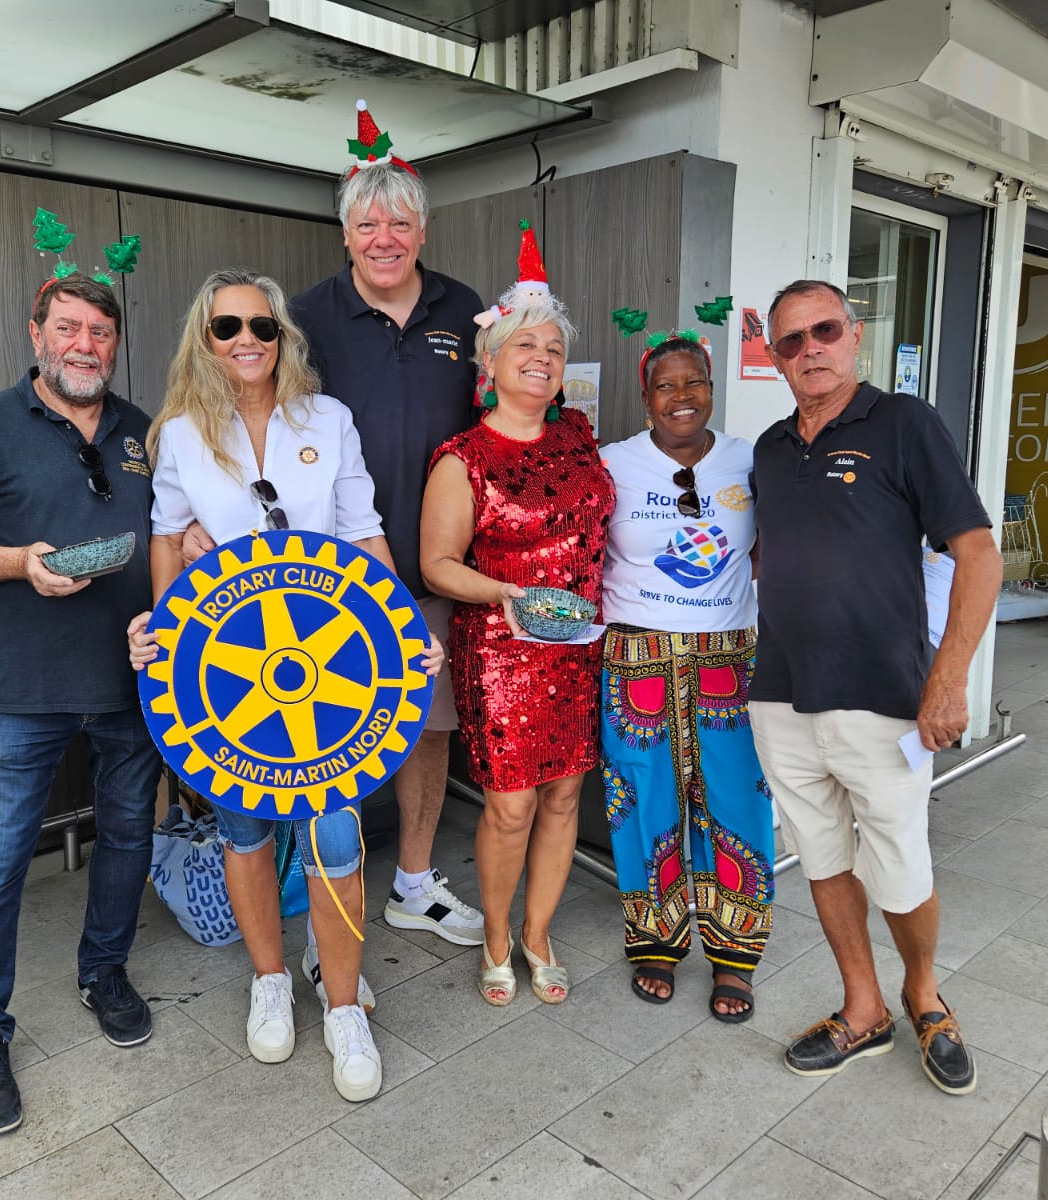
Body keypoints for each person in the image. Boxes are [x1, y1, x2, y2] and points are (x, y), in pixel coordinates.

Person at [126, 267, 442, 1103]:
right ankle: (269, 979)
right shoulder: (180, 434)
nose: (246, 341)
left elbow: (364, 531)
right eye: (227, 327)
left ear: (282, 337)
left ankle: (341, 1004)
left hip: (331, 668)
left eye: (262, 327)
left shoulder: (327, 419)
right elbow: (166, 537)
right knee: (245, 829)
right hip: (228, 671)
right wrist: (165, 640)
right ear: (204, 338)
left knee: (336, 833)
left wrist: (404, 631)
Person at [185, 110, 486, 951]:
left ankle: (414, 881)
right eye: (367, 224)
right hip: (323, 579)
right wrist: (206, 517)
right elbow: (246, 412)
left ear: (423, 228)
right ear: (345, 233)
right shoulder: (304, 318)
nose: (384, 238)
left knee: (429, 725)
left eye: (400, 222)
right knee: (305, 729)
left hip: (436, 564)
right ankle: (307, 899)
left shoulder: (465, 311)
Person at [0, 272, 162, 1137]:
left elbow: (173, 535)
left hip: (135, 686)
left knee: (127, 837)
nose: (84, 345)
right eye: (68, 328)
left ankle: (104, 972)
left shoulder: (144, 431)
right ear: (36, 333)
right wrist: (19, 563)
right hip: (24, 691)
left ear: (115, 342)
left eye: (100, 331)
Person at [749, 279, 1001, 1095]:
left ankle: (924, 996)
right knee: (823, 857)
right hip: (781, 693)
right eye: (791, 340)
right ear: (775, 357)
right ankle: (863, 1009)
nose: (810, 350)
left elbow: (978, 554)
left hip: (884, 695)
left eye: (824, 330)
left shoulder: (903, 423)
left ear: (854, 334)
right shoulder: (769, 449)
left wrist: (948, 679)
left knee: (900, 865)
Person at [419, 292, 616, 1006]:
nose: (542, 358)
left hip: (581, 649)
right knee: (510, 807)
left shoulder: (579, 438)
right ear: (491, 362)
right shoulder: (464, 458)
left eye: (554, 349)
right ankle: (498, 938)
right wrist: (510, 594)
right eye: (525, 345)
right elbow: (436, 565)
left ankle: (539, 934)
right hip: (504, 654)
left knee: (565, 796)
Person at [598, 333, 773, 1018]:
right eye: (665, 386)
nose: (681, 397)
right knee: (643, 801)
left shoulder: (749, 460)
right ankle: (655, 943)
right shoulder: (611, 463)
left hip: (727, 658)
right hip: (635, 660)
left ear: (711, 389)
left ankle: (735, 955)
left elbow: (769, 547)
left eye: (693, 382)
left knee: (737, 801)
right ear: (646, 398)